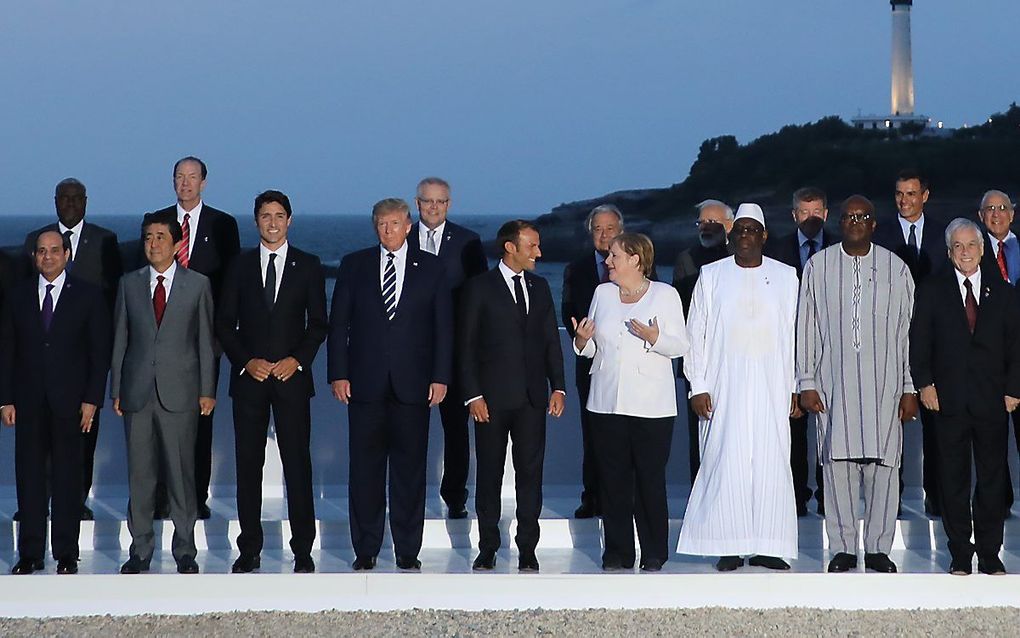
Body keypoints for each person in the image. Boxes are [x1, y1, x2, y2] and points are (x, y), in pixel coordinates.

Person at [328, 198, 452, 572]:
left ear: (408, 226)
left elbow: (443, 328)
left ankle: (407, 550)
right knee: (364, 470)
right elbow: (339, 326)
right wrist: (338, 373)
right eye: (382, 224)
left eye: (395, 224)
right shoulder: (355, 265)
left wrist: (441, 376)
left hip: (413, 386)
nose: (388, 231)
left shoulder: (431, 268)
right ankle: (365, 549)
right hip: (364, 384)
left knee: (410, 472)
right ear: (374, 227)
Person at [798, 195, 918, 574]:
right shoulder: (818, 266)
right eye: (848, 216)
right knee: (837, 468)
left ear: (873, 223)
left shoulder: (896, 269)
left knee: (884, 468)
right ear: (840, 223)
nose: (854, 222)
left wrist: (909, 387)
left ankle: (879, 548)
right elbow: (806, 328)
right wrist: (806, 381)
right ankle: (843, 548)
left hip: (885, 387)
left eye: (861, 216)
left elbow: (907, 333)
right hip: (834, 386)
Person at [677, 203, 800, 571]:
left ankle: (768, 545)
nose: (745, 235)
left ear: (763, 235)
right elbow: (695, 332)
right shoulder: (712, 275)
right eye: (740, 230)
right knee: (724, 460)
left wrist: (795, 386)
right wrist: (697, 385)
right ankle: (728, 545)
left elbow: (796, 334)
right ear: (731, 237)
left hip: (773, 385)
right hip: (722, 386)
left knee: (771, 462)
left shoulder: (787, 276)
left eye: (752, 230)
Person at [216, 190, 327, 574]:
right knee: (249, 466)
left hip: (292, 381)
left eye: (279, 215)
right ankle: (249, 549)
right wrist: (248, 362)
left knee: (298, 465)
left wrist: (296, 360)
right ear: (256, 220)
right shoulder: (239, 266)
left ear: (290, 220)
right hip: (249, 381)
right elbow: (223, 325)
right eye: (265, 216)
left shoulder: (309, 266)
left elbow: (318, 325)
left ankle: (302, 550)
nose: (273, 222)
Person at [910, 218, 1020, 576]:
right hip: (948, 401)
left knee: (992, 480)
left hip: (992, 401)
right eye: (957, 247)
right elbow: (919, 341)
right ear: (949, 252)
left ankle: (990, 552)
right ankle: (959, 551)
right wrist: (924, 384)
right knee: (952, 480)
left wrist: (1013, 389)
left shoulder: (1003, 292)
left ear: (982, 249)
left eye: (971, 245)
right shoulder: (931, 289)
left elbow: (1016, 347)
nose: (965, 253)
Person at [572, 232, 688, 571]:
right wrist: (581, 341)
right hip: (606, 403)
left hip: (652, 406)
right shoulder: (602, 293)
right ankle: (618, 552)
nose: (608, 262)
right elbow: (594, 347)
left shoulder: (665, 295)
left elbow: (680, 345)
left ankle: (654, 551)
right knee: (613, 479)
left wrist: (655, 338)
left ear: (636, 259)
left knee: (650, 479)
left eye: (615, 256)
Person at [112, 211, 216, 575]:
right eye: (147, 237)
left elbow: (205, 341)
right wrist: (117, 389)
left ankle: (184, 550)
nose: (152, 244)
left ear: (177, 244)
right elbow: (121, 339)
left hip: (181, 393)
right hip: (138, 391)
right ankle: (140, 549)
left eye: (160, 237)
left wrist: (207, 390)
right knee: (140, 475)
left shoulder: (198, 284)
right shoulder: (129, 283)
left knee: (180, 473)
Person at [0, 231, 111, 575]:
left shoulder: (89, 296)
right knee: (29, 477)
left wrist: (92, 400)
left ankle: (66, 552)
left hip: (71, 404)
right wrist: (5, 399)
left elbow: (99, 353)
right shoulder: (16, 297)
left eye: (54, 251)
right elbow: (6, 352)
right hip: (29, 401)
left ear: (66, 254)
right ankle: (30, 552)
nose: (47, 257)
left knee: (68, 478)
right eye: (41, 252)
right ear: (34, 257)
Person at [459, 220, 566, 572]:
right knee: (489, 473)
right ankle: (488, 546)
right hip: (490, 399)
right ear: (510, 248)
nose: (539, 252)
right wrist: (473, 395)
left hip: (533, 399)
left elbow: (552, 339)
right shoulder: (479, 288)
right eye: (532, 245)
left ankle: (527, 549)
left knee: (530, 474)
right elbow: (467, 346)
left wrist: (559, 386)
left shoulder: (539, 287)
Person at [22, 178, 123, 520]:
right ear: (54, 202)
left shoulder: (106, 240)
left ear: (85, 201)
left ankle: (76, 500)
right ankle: (38, 503)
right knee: (39, 443)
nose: (69, 203)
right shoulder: (37, 239)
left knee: (83, 436)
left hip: (85, 355)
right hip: (44, 359)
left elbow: (114, 295)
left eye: (75, 198)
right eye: (63, 198)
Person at [150, 156, 240, 520]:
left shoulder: (223, 224)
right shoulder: (156, 221)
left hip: (205, 338)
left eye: (192, 177)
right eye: (179, 177)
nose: (185, 183)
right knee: (158, 419)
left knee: (200, 420)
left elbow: (231, 282)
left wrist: (222, 336)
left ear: (204, 182)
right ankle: (159, 497)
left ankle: (194, 496)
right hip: (160, 338)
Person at [408, 177, 488, 519]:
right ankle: (409, 495)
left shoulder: (468, 242)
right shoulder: (402, 237)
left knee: (455, 429)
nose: (434, 207)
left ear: (449, 204)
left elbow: (480, 296)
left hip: (454, 351)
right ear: (417, 203)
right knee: (410, 427)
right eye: (428, 201)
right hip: (410, 350)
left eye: (440, 202)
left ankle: (455, 495)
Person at [874, 169, 946, 517]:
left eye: (912, 193)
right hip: (892, 338)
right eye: (900, 194)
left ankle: (936, 495)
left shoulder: (942, 234)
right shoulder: (881, 234)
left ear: (925, 196)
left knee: (936, 422)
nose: (905, 200)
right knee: (893, 423)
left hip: (935, 342)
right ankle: (894, 498)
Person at [764, 187, 837, 517]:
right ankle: (794, 496)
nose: (811, 218)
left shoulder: (840, 246)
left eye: (816, 211)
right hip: (786, 348)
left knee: (829, 427)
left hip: (829, 349)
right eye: (804, 212)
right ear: (794, 215)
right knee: (792, 427)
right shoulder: (775, 250)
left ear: (826, 213)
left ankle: (827, 495)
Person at [562, 203, 624, 519]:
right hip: (588, 362)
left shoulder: (638, 267)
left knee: (623, 434)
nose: (603, 235)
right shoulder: (576, 268)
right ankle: (592, 496)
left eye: (609, 228)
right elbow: (569, 311)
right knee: (593, 432)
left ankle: (621, 498)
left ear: (620, 231)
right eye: (598, 229)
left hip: (626, 366)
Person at [671, 199, 733, 485]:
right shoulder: (686, 259)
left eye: (713, 222)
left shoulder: (741, 257)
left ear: (729, 226)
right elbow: (680, 309)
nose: (706, 227)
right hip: (698, 359)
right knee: (698, 430)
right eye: (701, 222)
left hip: (734, 357)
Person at [975, 190, 1020, 513]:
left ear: (1012, 214)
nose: (996, 214)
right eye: (989, 209)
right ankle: (998, 502)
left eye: (1002, 208)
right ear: (980, 216)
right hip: (989, 359)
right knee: (992, 439)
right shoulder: (971, 252)